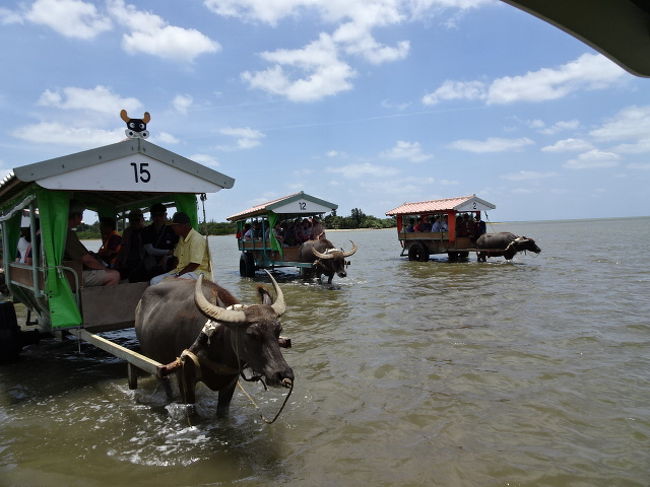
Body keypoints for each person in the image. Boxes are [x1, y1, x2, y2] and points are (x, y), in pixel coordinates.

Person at [150, 211, 212, 285]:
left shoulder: (196, 239)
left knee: (174, 283)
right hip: (180, 271)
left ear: (183, 225)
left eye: (174, 225)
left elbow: (194, 264)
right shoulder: (181, 238)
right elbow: (176, 259)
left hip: (197, 272)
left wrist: (178, 276)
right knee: (154, 281)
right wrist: (172, 273)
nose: (172, 228)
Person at [65, 204, 120, 286]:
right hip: (70, 274)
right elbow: (87, 260)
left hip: (69, 271)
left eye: (102, 226)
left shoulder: (114, 237)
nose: (101, 228)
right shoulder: (67, 234)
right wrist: (104, 269)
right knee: (114, 275)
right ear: (76, 216)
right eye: (81, 216)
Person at [141, 203, 178, 278]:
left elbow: (178, 249)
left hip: (169, 265)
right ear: (151, 216)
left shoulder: (173, 230)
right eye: (155, 215)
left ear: (165, 215)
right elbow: (150, 250)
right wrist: (168, 252)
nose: (157, 218)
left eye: (160, 215)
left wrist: (167, 256)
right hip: (151, 266)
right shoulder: (146, 231)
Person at [117, 208, 146, 282]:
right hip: (128, 261)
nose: (134, 222)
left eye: (137, 220)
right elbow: (122, 247)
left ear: (142, 219)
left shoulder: (147, 231)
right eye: (132, 220)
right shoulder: (127, 232)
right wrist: (119, 261)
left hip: (142, 262)